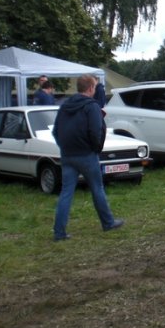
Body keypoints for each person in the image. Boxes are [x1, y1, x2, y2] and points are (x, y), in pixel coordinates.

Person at [52, 74, 123, 241]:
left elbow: (55, 131)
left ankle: (59, 232)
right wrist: (96, 149)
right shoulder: (91, 107)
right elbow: (95, 131)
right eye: (95, 86)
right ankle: (108, 223)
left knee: (66, 193)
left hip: (67, 154)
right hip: (86, 154)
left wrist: (64, 146)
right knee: (97, 188)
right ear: (91, 88)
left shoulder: (64, 106)